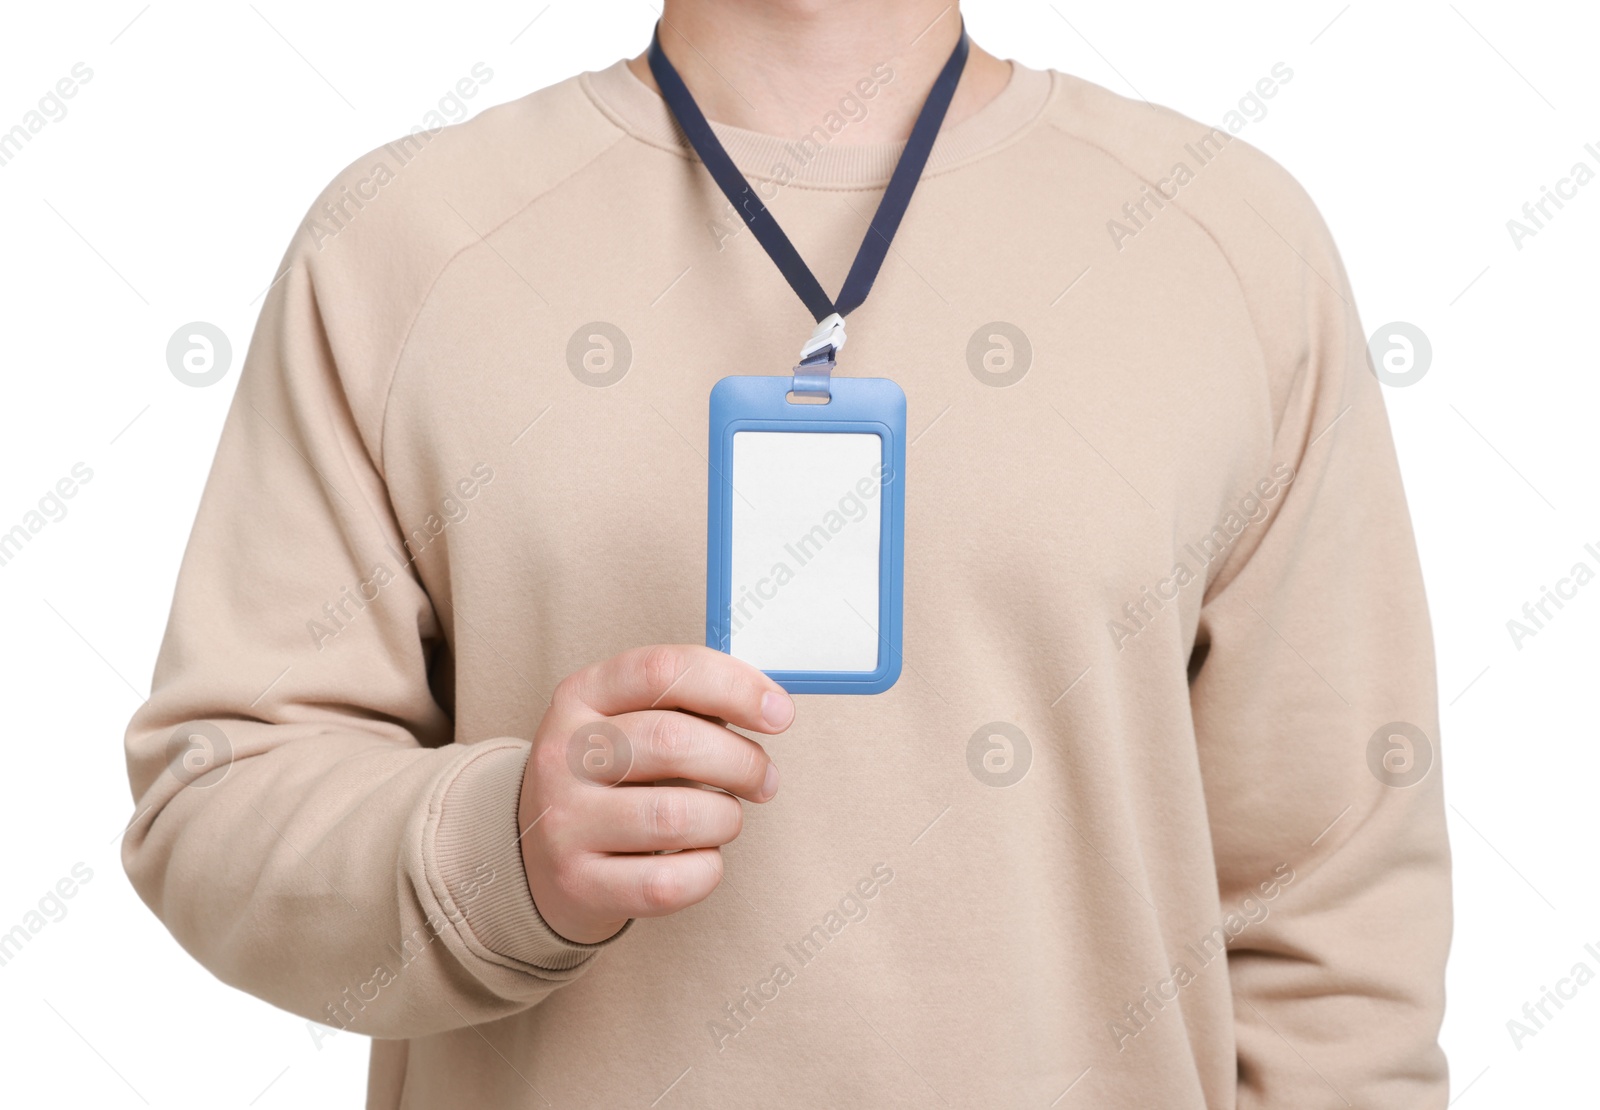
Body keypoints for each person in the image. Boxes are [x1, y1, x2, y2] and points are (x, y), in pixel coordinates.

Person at [122, 1, 1451, 1106]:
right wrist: (501, 852)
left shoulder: (1228, 247)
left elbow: (1338, 915)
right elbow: (212, 793)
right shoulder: (401, 243)